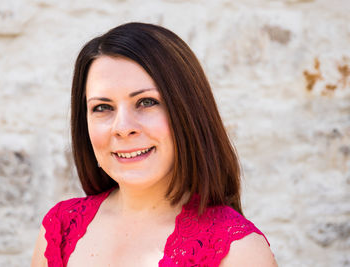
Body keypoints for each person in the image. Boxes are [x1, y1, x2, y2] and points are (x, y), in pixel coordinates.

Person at [31, 22, 277, 267]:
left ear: (188, 111)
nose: (123, 127)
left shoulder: (240, 252)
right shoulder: (59, 230)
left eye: (146, 102)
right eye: (103, 107)